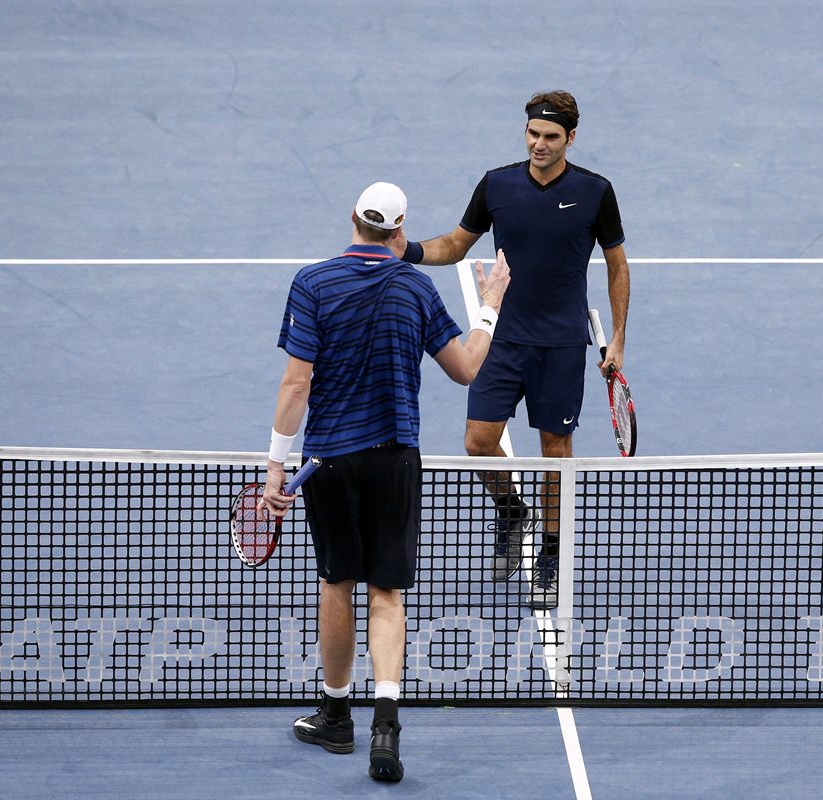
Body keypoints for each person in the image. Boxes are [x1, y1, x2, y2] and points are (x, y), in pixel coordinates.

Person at [259, 181, 510, 783]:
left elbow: (297, 384)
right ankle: (386, 725)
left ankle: (335, 714)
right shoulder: (415, 286)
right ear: (400, 230)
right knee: (387, 595)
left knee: (336, 583)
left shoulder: (312, 283)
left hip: (329, 462)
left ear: (353, 218)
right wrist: (489, 305)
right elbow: (467, 368)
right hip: (394, 460)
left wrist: (275, 466)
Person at [392, 90, 630, 608]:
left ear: (571, 137)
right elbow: (456, 244)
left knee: (555, 455)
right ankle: (511, 510)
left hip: (562, 344)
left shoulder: (595, 192)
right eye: (532, 134)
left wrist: (618, 337)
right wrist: (406, 250)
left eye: (550, 137)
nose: (538, 144)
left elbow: (617, 265)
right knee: (478, 442)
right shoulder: (497, 184)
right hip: (502, 339)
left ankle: (549, 548)